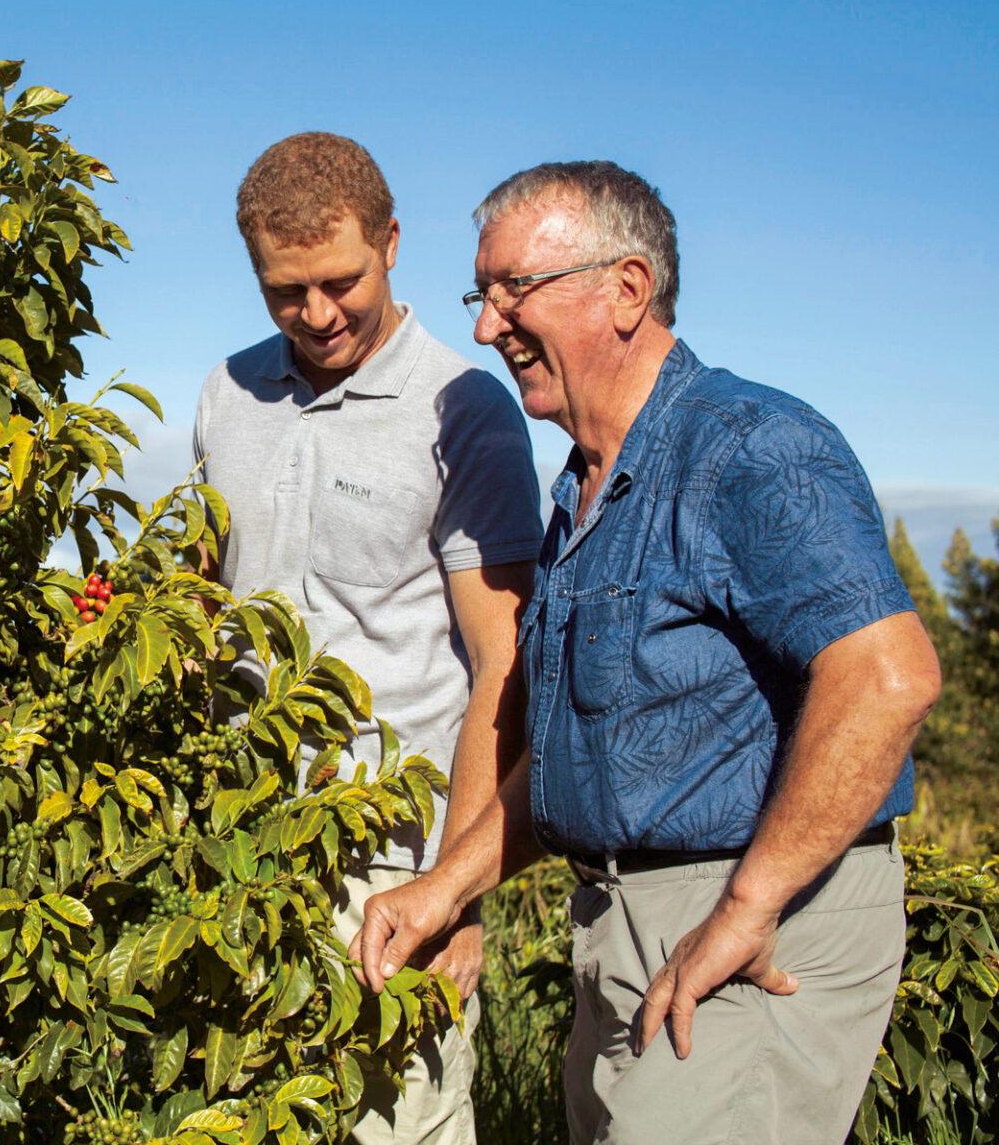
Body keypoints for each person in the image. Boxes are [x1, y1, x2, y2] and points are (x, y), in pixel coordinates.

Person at [353, 161, 941, 1143]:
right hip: (621, 919)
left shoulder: (749, 447)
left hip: (754, 920)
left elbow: (890, 675)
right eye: (480, 294)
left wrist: (749, 903)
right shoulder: (584, 493)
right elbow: (584, 754)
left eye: (513, 290)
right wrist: (445, 885)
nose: (488, 326)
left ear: (628, 288)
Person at [193, 133, 542, 1143]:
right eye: (284, 292)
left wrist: (457, 888)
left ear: (392, 242)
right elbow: (209, 596)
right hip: (243, 846)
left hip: (394, 860)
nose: (317, 315)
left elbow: (499, 664)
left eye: (340, 281)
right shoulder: (228, 389)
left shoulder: (463, 407)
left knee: (400, 1123)